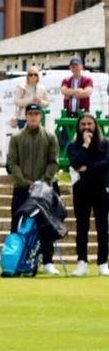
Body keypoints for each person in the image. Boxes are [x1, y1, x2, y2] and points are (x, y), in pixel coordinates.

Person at [6, 103, 61, 274]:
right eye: (30, 113)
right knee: (17, 223)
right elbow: (12, 163)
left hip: (43, 189)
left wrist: (42, 181)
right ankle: (16, 258)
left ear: (41, 116)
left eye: (36, 113)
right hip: (22, 188)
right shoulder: (16, 138)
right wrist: (25, 181)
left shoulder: (50, 136)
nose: (33, 116)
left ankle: (47, 261)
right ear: (26, 115)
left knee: (45, 224)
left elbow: (54, 162)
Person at [65, 113, 109, 276]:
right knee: (81, 227)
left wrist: (88, 168)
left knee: (102, 227)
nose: (86, 127)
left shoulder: (105, 144)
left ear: (95, 126)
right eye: (83, 124)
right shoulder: (73, 146)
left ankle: (103, 262)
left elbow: (106, 164)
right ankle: (82, 262)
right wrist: (85, 145)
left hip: (101, 189)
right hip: (81, 190)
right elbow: (75, 163)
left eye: (89, 124)